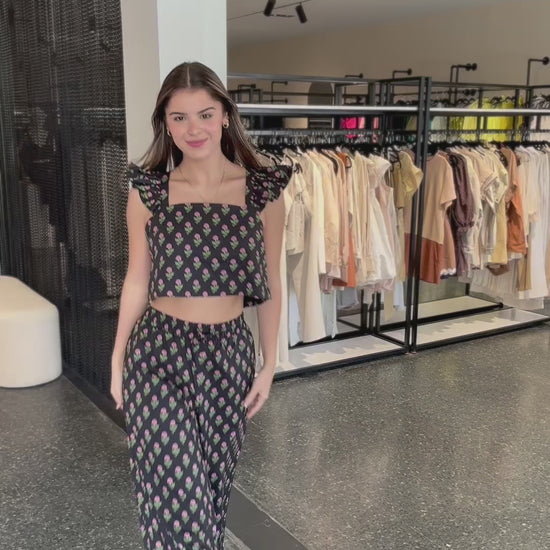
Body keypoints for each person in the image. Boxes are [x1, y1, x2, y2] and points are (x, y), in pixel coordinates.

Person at [110, 61, 291, 550]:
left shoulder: (262, 192)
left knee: (211, 495)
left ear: (225, 116)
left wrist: (269, 364)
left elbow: (273, 282)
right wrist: (117, 357)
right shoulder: (149, 192)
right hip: (158, 352)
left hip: (228, 355)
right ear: (166, 125)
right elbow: (137, 279)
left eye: (205, 115)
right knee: (181, 499)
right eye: (180, 118)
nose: (194, 129)